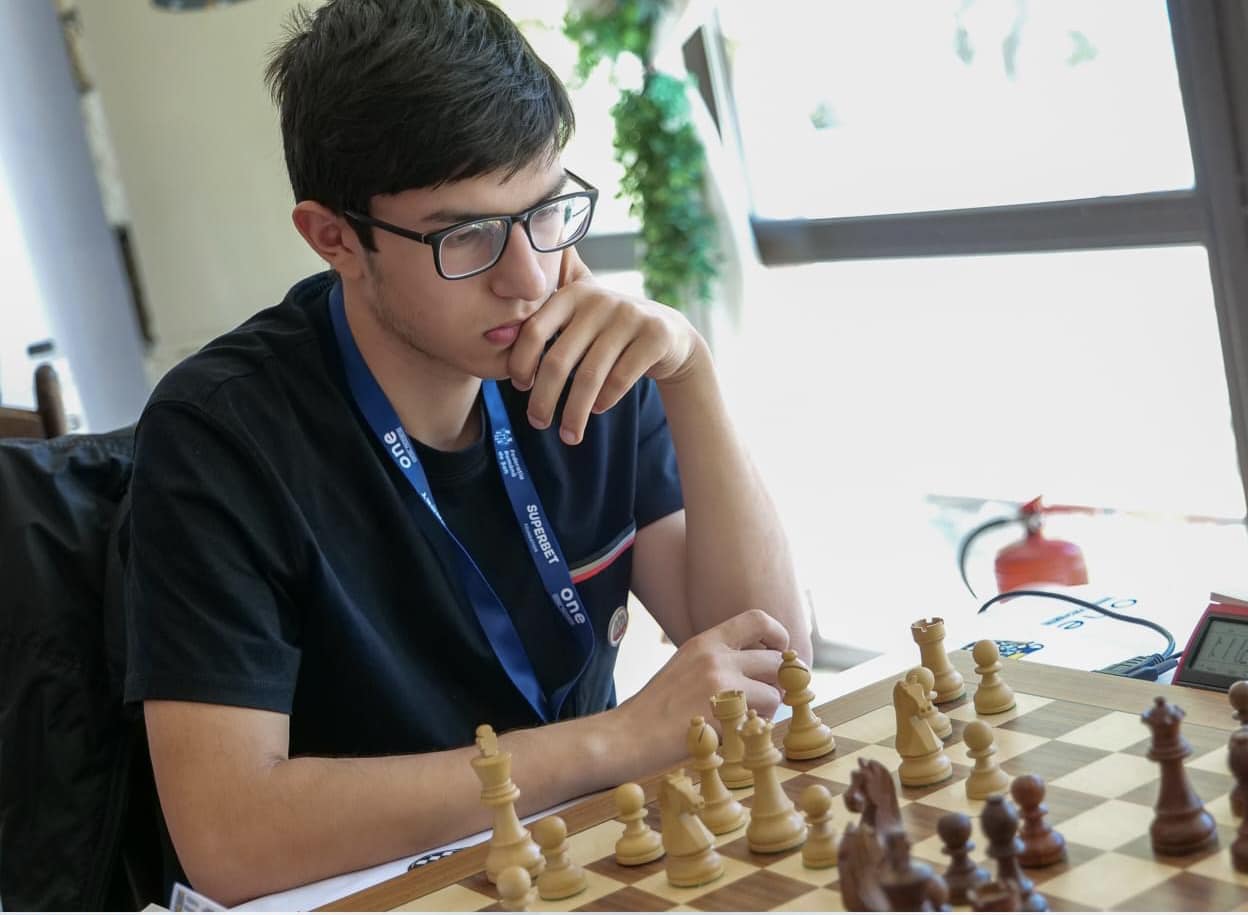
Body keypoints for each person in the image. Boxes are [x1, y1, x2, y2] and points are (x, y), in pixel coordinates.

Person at [121, 0, 811, 905]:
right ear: (335, 237)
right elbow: (230, 835)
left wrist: (690, 374)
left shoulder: (585, 356)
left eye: (547, 210)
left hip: (588, 859)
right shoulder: (220, 434)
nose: (527, 277)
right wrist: (612, 741)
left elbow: (775, 663)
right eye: (467, 235)